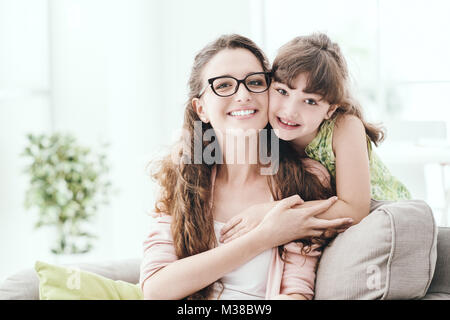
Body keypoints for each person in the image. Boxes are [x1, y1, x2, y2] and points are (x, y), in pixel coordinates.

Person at [139, 34, 353, 300]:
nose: (243, 95)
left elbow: (296, 292)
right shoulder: (183, 176)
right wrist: (265, 236)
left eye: (254, 82)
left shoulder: (305, 179)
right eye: (224, 85)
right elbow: (156, 290)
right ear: (201, 108)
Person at [219, 33, 411, 243]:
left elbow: (355, 209)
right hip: (330, 223)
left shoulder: (344, 127)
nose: (290, 111)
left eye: (310, 101)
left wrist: (268, 213)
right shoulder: (265, 129)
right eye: (282, 91)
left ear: (330, 109)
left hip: (383, 218)